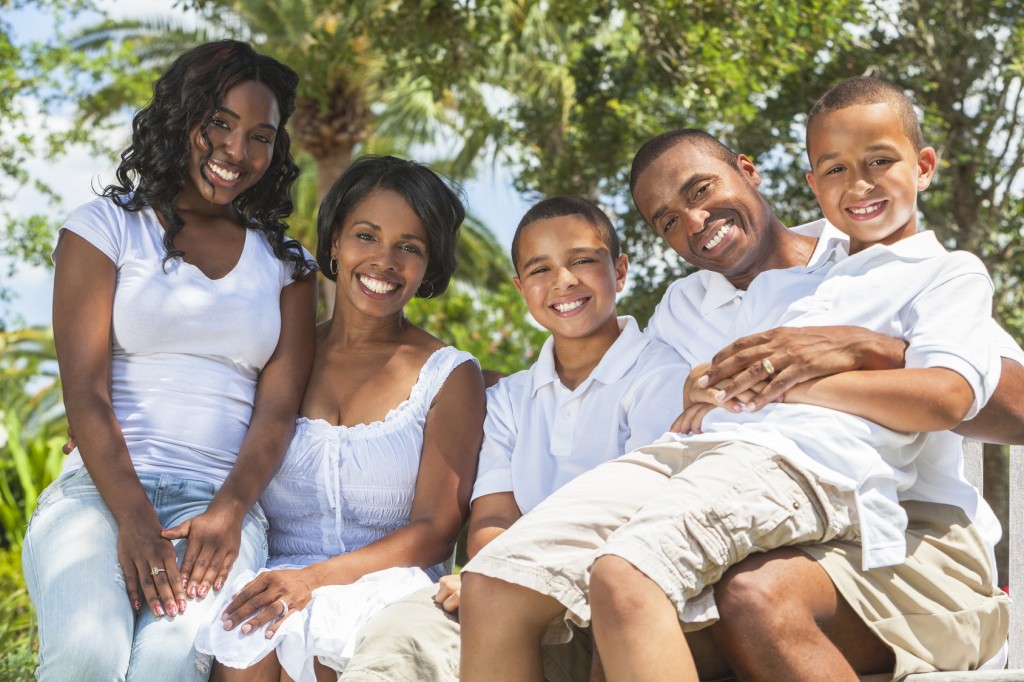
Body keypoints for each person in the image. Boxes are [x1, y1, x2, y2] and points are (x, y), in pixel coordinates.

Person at [459, 78, 1022, 681]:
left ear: (748, 171)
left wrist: (861, 351)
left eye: (703, 190)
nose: (696, 222)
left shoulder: (866, 258)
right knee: (540, 596)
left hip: (901, 528)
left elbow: (987, 401)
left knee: (716, 592)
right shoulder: (682, 307)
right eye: (668, 221)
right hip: (737, 495)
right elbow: (660, 409)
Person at [22, 40, 317, 682]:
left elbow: (276, 413)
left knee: (166, 664)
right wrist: (134, 518)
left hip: (219, 510)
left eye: (261, 136)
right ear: (182, 118)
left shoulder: (289, 266)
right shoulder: (105, 228)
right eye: (220, 124)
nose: (238, 152)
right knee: (87, 656)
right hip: (98, 497)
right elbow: (86, 394)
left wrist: (230, 511)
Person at [340, 196, 698, 682]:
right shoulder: (510, 397)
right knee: (399, 637)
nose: (563, 282)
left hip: (612, 596)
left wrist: (505, 579)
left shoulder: (660, 372)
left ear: (621, 270)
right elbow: (493, 516)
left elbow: (642, 511)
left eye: (582, 261)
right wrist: (491, 576)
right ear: (520, 288)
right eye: (540, 269)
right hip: (512, 590)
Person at [194, 154, 486, 682]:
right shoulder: (276, 356)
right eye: (367, 236)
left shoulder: (448, 375)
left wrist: (313, 580)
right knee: (251, 631)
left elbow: (436, 530)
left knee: (308, 628)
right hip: (271, 577)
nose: (385, 261)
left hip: (390, 587)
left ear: (429, 266)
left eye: (409, 247)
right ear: (334, 242)